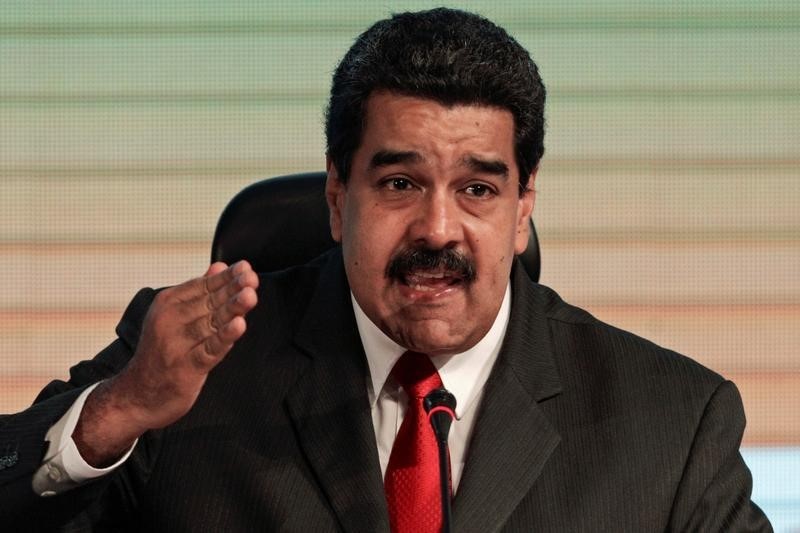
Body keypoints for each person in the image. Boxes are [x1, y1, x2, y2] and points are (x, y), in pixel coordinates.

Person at [0, 7, 771, 532]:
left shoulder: (673, 422)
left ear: (524, 202)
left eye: (477, 188)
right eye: (400, 184)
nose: (438, 228)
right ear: (339, 196)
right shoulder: (187, 373)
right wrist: (121, 408)